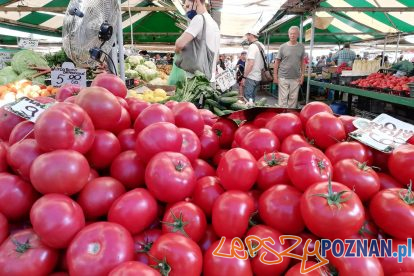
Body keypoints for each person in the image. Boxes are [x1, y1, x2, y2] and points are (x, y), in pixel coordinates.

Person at [175, 0, 220, 82]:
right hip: (210, 78)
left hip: (196, 79)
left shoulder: (199, 18)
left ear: (196, 2)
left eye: (188, 6)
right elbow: (216, 58)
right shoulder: (214, 23)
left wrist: (177, 51)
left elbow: (179, 44)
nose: (186, 10)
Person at [273, 26, 305, 108]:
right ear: (288, 34)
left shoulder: (301, 47)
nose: (292, 35)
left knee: (293, 100)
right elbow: (277, 62)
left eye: (294, 34)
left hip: (296, 78)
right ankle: (282, 116)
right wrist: (275, 76)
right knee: (282, 100)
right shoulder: (282, 47)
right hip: (283, 77)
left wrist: (302, 76)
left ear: (298, 35)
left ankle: (291, 116)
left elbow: (302, 62)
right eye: (291, 34)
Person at [240, 30, 265, 102]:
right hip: (258, 77)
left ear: (251, 35)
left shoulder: (253, 46)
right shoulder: (261, 45)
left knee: (247, 99)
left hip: (251, 77)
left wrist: (244, 77)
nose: (247, 38)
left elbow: (251, 63)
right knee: (252, 99)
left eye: (247, 35)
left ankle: (248, 112)